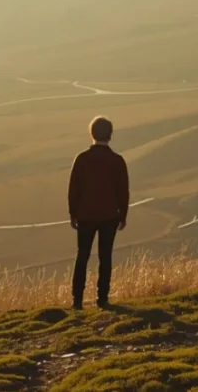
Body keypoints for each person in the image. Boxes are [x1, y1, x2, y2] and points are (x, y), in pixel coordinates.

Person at [67, 115, 129, 310]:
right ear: (110, 135)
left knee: (82, 255)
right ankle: (102, 299)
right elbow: (123, 191)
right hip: (110, 215)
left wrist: (73, 214)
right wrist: (123, 215)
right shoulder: (117, 161)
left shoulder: (82, 159)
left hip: (85, 215)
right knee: (105, 256)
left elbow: (73, 190)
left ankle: (77, 300)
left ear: (91, 133)